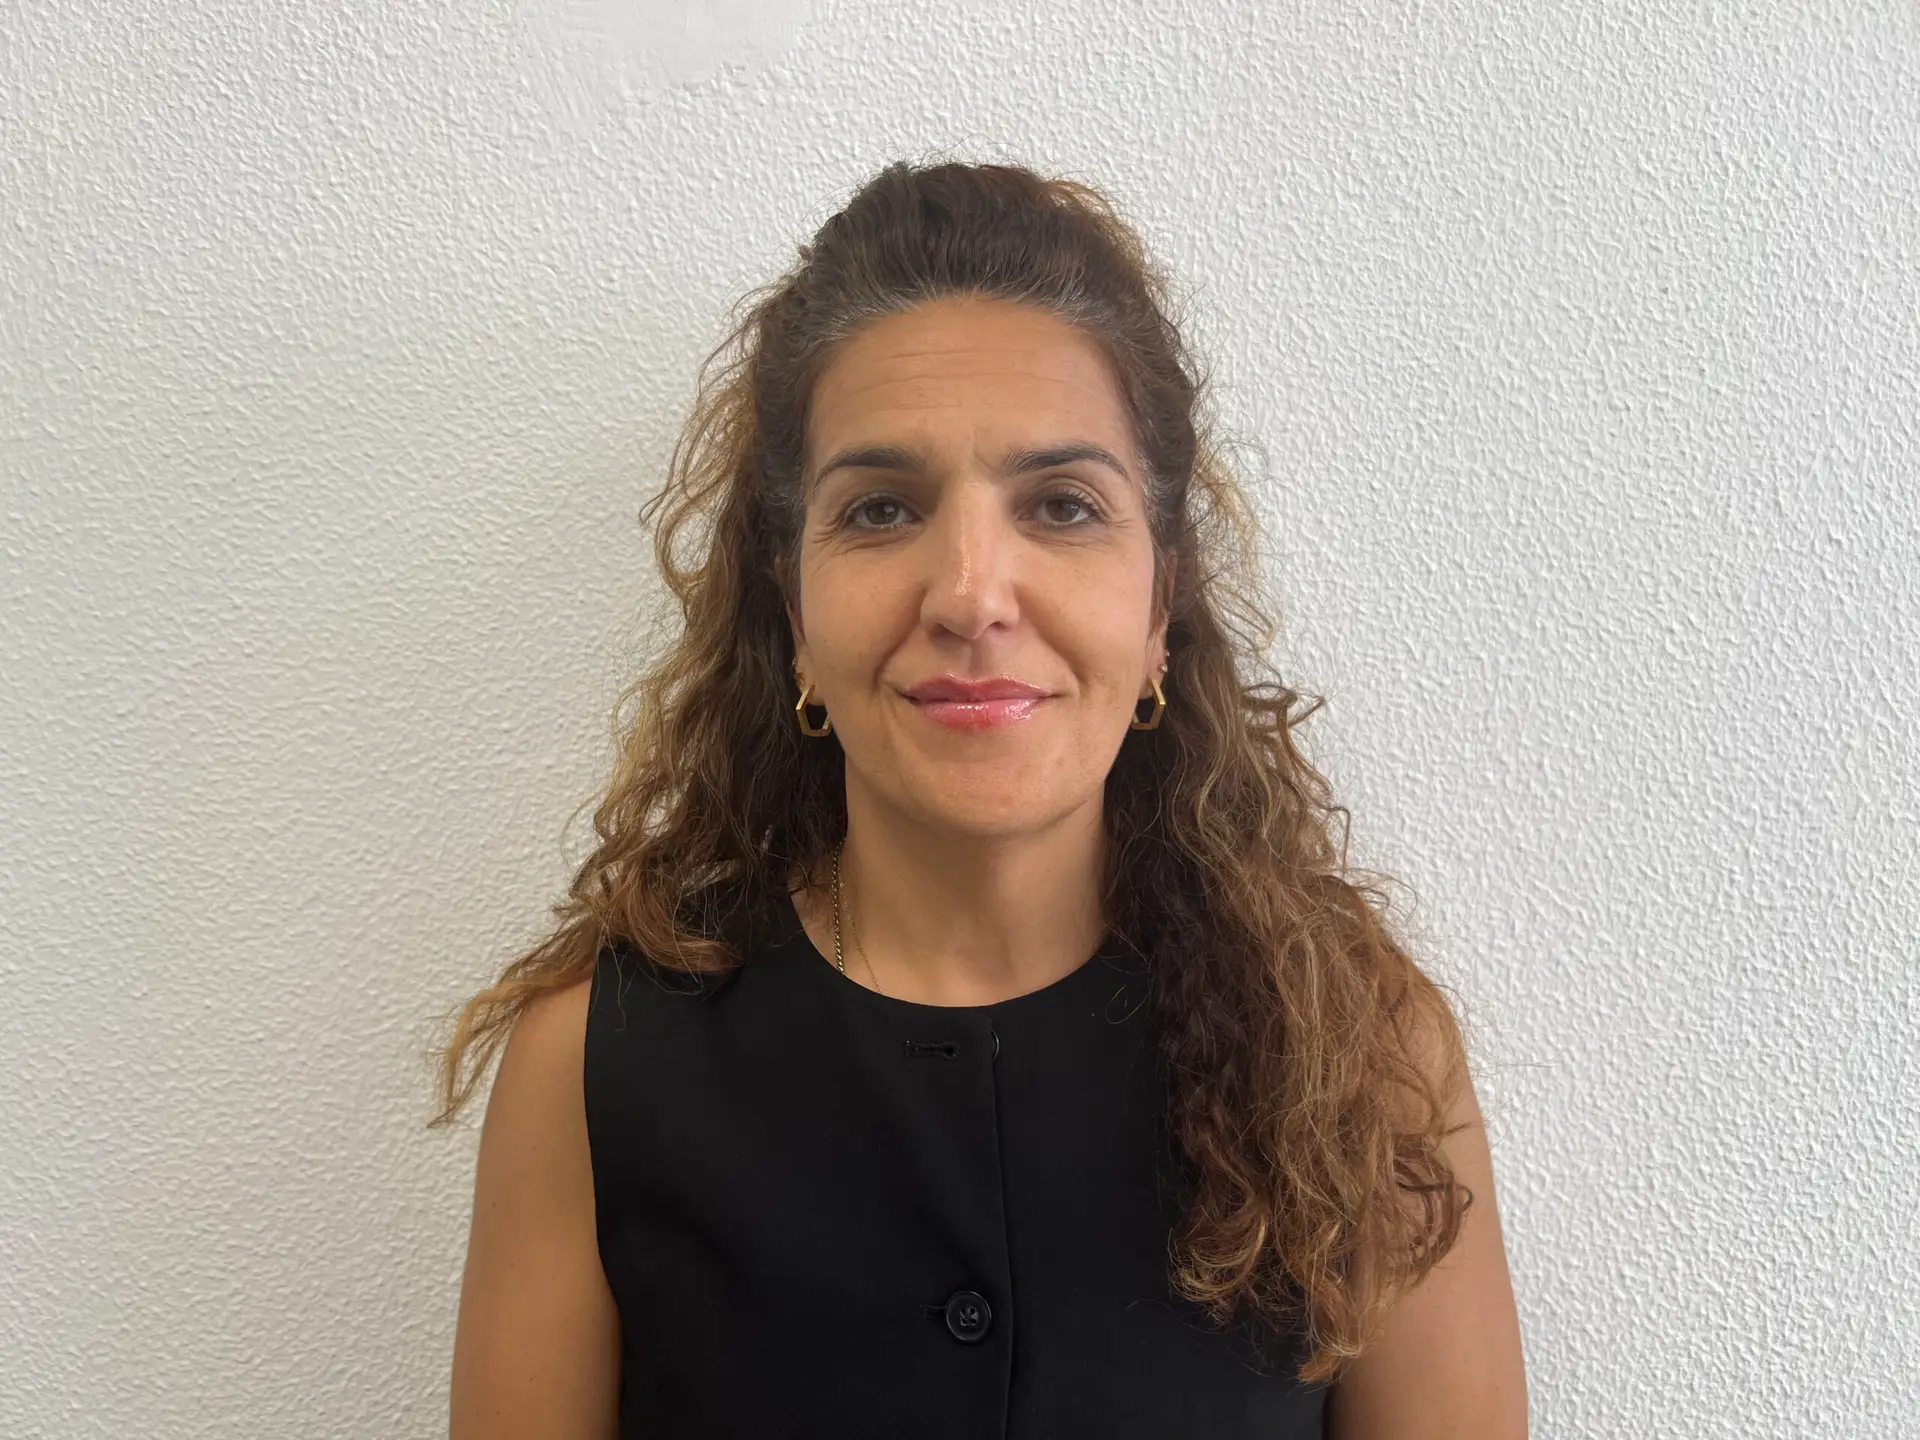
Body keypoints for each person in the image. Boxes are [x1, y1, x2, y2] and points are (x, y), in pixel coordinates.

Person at [434, 159, 1527, 1438]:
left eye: (1061, 506)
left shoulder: (1360, 1054)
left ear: (1162, 602)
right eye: (880, 509)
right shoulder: (591, 1068)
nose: (969, 594)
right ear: (793, 611)